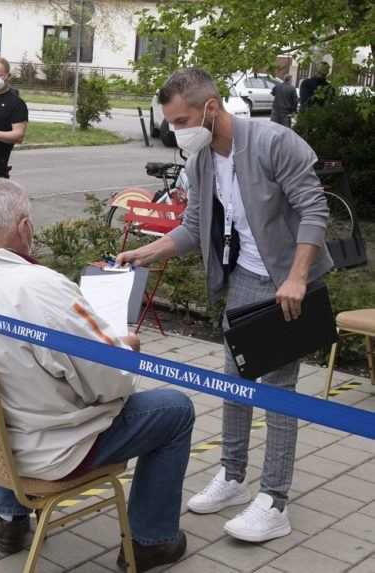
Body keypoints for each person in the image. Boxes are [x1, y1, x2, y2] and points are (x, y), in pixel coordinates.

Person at [0, 179, 194, 572]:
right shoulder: (40, 288)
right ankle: (151, 542)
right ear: (24, 227)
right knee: (176, 409)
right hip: (50, 453)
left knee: (12, 387)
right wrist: (125, 349)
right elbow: (112, 384)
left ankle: (11, 520)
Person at [117, 68, 333, 544]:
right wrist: (145, 252)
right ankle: (233, 475)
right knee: (233, 378)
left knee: (278, 388)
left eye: (182, 120)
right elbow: (195, 228)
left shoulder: (274, 143)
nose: (177, 130)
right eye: (171, 123)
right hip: (243, 280)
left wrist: (297, 278)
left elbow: (316, 211)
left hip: (286, 283)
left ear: (211, 108)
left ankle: (274, 501)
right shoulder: (201, 162)